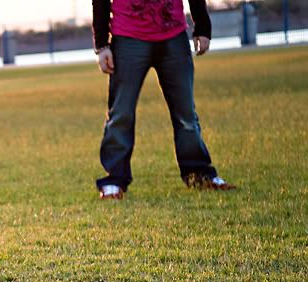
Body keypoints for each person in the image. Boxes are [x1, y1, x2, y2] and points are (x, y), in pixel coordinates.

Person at [92, 0, 235, 199]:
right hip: (128, 38)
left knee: (186, 116)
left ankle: (199, 174)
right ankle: (114, 181)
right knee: (121, 114)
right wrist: (101, 44)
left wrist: (202, 25)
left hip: (173, 36)